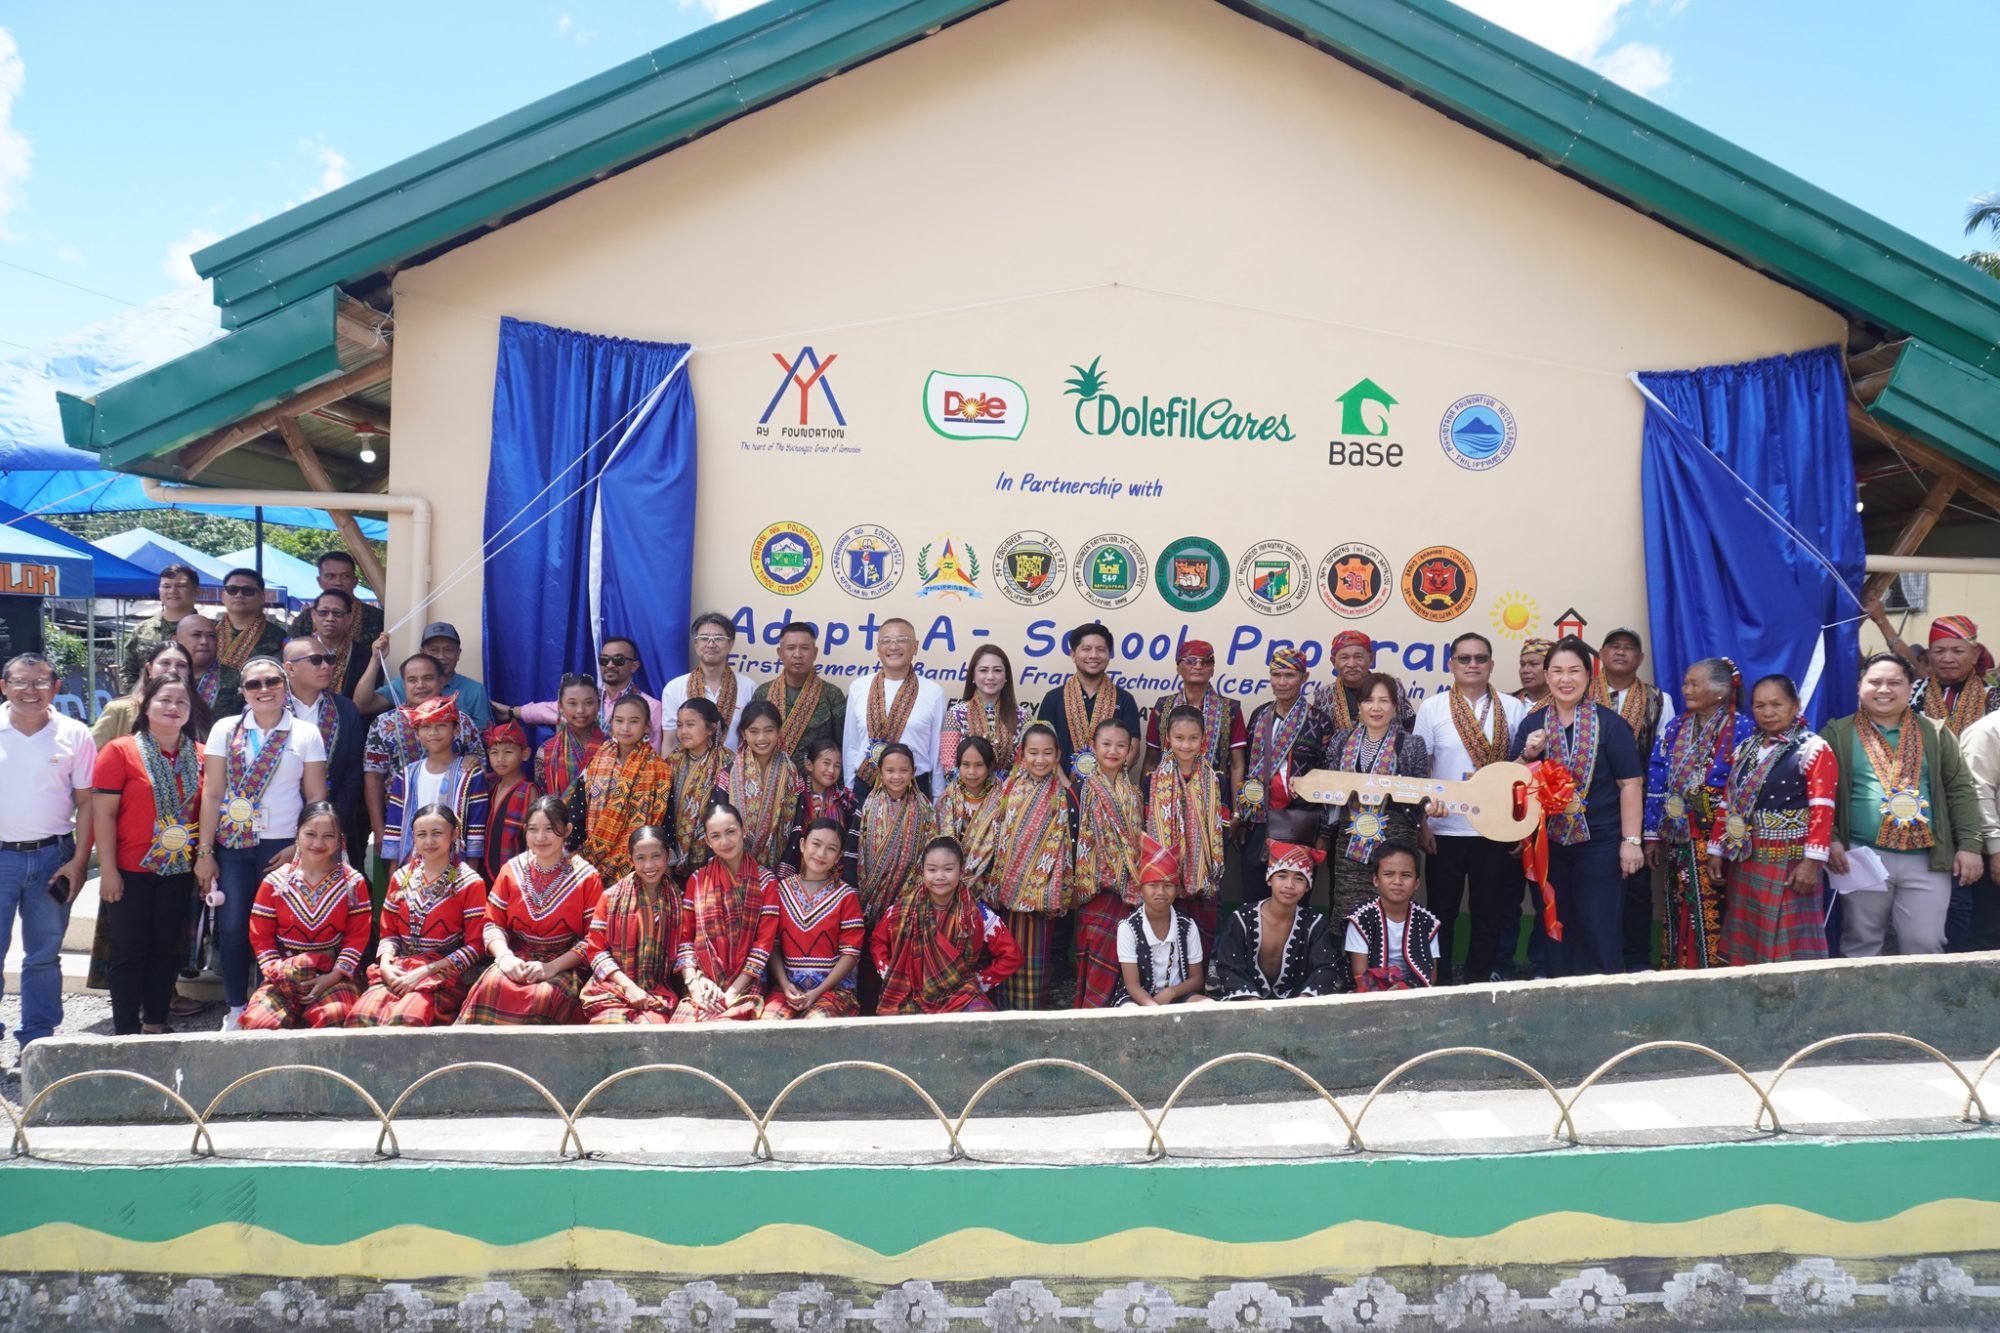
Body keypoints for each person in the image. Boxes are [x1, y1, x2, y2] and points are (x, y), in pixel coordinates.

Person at [194, 654, 329, 1031]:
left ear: (285, 686)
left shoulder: (305, 733)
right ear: (242, 691)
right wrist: (205, 851)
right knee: (233, 926)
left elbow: (316, 797)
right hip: (234, 844)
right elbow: (212, 793)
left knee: (283, 927)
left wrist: (300, 847)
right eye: (254, 684)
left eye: (272, 681)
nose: (264, 689)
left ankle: (278, 1003)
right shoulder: (225, 729)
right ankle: (236, 1006)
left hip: (283, 842)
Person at [1822, 653, 1984, 957]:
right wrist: (1831, 839)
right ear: (1859, 686)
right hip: (1861, 855)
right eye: (1875, 682)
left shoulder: (1935, 733)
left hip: (1927, 859)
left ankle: (1923, 992)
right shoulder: (1836, 734)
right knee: (1861, 943)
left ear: (1911, 687)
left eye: (1894, 683)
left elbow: (1960, 790)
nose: (1884, 690)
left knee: (1925, 943)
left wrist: (1970, 845)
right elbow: (1820, 793)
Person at [1517, 637, 1647, 977]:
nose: (1565, 679)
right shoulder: (1533, 725)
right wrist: (1527, 755)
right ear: (1546, 675)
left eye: (1574, 671)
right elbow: (1513, 783)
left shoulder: (1611, 724)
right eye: (1557, 671)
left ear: (1589, 676)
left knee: (1599, 923)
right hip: (1549, 845)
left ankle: (1605, 995)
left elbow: (1630, 784)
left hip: (1600, 842)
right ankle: (1560, 992)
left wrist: (1631, 843)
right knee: (1555, 923)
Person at [1412, 631, 1529, 984]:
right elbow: (1421, 769)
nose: (1473, 664)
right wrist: (1422, 825)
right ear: (1451, 664)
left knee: (1488, 912)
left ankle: (1479, 981)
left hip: (1495, 828)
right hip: (1445, 828)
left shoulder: (1512, 707)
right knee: (1441, 912)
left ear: (1491, 664)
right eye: (1465, 658)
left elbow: (1523, 773)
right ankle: (1440, 981)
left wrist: (1520, 827)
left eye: (1480, 658)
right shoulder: (1433, 707)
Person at [93, 676, 203, 1036]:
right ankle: (125, 1031)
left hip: (179, 869)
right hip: (130, 869)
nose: (173, 708)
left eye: (181, 702)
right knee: (129, 951)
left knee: (166, 948)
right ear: (146, 706)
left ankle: (155, 1022)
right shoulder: (120, 751)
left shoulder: (201, 755)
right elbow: (103, 815)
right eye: (164, 700)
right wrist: (108, 870)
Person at [2, 653, 97, 1048]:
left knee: (43, 952)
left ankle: (37, 1039)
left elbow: (87, 802)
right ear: (4, 686)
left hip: (52, 858)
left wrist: (79, 862)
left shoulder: (75, 734)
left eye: (40, 681)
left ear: (56, 687)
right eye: (20, 681)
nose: (31, 690)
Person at [1710, 675, 1835, 966]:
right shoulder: (1747, 748)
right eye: (1760, 705)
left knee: (1788, 942)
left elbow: (1823, 808)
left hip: (1790, 861)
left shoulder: (1814, 749)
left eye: (1777, 704)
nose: (1768, 712)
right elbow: (1729, 801)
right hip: (1746, 858)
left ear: (1796, 705)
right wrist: (1717, 849)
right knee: (1749, 936)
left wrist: (1811, 863)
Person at [1643, 658, 1754, 970]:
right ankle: (1679, 969)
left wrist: (1722, 835)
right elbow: (1657, 779)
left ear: (1720, 691)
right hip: (1678, 837)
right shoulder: (1675, 727)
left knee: (1716, 906)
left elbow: (1743, 789)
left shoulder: (1742, 729)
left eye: (1694, 684)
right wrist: (1652, 836)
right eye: (1685, 683)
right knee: (1679, 903)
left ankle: (1714, 972)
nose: (1686, 689)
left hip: (1719, 839)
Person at [458, 796, 604, 1025]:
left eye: (549, 829)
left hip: (563, 964)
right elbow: (492, 923)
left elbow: (593, 939)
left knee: (543, 996)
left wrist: (550, 968)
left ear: (567, 830)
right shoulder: (512, 870)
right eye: (533, 829)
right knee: (492, 984)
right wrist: (504, 957)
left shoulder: (587, 877)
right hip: (517, 959)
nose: (540, 837)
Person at [347, 806, 489, 1026]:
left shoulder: (469, 883)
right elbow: (389, 934)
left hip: (445, 973)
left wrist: (426, 971)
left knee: (406, 1018)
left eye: (437, 833)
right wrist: (385, 965)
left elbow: (475, 947)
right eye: (421, 834)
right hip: (400, 967)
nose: (429, 841)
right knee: (362, 1017)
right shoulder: (401, 878)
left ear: (454, 834)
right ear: (413, 837)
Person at [1908, 617, 1999, 953]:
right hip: (1926, 818)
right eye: (1939, 650)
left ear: (1975, 654)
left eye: (1957, 651)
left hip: (1984, 819)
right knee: (1940, 911)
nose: (1947, 658)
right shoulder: (1910, 696)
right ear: (1928, 655)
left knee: (1985, 913)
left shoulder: (1993, 698)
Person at [238, 803, 370, 1030]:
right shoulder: (275, 883)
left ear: (339, 840)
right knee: (261, 1024)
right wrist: (279, 972)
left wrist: (334, 975)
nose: (318, 843)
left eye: (328, 836)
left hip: (334, 975)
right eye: (310, 834)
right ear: (297, 835)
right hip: (283, 974)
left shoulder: (352, 883)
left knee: (334, 1017)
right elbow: (261, 937)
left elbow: (357, 937)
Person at [870, 836, 1024, 1015]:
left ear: (961, 871)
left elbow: (1012, 956)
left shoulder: (977, 914)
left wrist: (979, 981)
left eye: (948, 869)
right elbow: (877, 941)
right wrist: (890, 973)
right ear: (922, 871)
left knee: (982, 1021)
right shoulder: (902, 910)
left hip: (961, 993)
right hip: (911, 993)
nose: (940, 877)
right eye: (932, 870)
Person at [1593, 626, 1672, 972]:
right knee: (1593, 885)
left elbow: (1663, 760)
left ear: (1640, 658)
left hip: (1637, 805)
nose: (1621, 652)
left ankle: (1638, 960)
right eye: (1614, 646)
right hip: (1589, 807)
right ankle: (1597, 961)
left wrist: (1653, 825)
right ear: (1601, 655)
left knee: (1637, 887)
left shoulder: (1659, 700)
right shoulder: (1581, 692)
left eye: (1629, 648)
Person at [1325, 672, 1430, 929]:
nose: (1376, 708)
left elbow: (1421, 793)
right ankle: (1349, 954)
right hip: (1351, 838)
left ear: (1395, 706)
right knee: (1350, 906)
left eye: (1384, 701)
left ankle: (1393, 953)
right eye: (1369, 700)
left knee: (1393, 905)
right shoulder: (1342, 740)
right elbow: (1329, 786)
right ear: (1359, 705)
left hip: (1397, 838)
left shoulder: (1412, 744)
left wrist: (1430, 808)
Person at [987, 720, 1078, 1010]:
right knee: (1006, 953)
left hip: (1042, 893)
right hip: (1009, 889)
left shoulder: (1063, 793)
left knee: (1036, 958)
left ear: (1058, 755)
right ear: (1021, 754)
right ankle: (1004, 1013)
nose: (1040, 760)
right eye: (1033, 753)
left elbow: (1066, 842)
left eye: (1048, 753)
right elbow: (997, 836)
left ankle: (1033, 1013)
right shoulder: (1008, 790)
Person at [364, 651, 486, 862]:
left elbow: (480, 764)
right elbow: (373, 776)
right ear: (403, 685)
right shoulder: (383, 724)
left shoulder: (462, 722)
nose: (420, 685)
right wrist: (378, 828)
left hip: (454, 832)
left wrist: (473, 761)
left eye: (428, 678)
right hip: (398, 824)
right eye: (412, 680)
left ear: (441, 681)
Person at [672, 802, 779, 1023]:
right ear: (708, 841)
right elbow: (685, 940)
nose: (725, 841)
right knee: (683, 1029)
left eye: (730, 832)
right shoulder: (697, 881)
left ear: (743, 831)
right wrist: (694, 984)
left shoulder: (765, 882)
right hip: (703, 985)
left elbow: (763, 945)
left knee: (729, 1028)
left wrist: (731, 993)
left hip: (746, 986)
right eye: (716, 836)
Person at [1236, 646, 1328, 897]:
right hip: (1258, 819)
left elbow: (1327, 779)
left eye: (1290, 675)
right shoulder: (1259, 715)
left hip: (1299, 822)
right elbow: (1246, 766)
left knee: (1293, 893)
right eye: (1276, 675)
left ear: (1304, 677)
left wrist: (1324, 833)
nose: (1282, 682)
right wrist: (1241, 817)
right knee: (1253, 892)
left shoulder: (1319, 721)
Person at [760, 818, 865, 1020]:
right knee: (770, 1024)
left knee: (815, 1025)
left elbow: (851, 954)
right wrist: (785, 985)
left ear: (838, 856)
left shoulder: (846, 897)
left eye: (831, 849)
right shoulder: (781, 891)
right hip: (789, 990)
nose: (821, 853)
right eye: (816, 844)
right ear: (802, 845)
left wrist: (817, 992)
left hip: (832, 992)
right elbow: (772, 944)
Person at [1071, 720, 1143, 1009]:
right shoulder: (1081, 790)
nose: (1113, 751)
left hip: (1128, 892)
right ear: (1093, 746)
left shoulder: (1134, 793)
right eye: (1106, 744)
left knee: (1124, 957)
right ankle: (1091, 1012)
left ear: (1129, 750)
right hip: (1095, 890)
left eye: (1120, 745)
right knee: (1095, 958)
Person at [1144, 706, 1228, 951]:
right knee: (1170, 938)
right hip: (1167, 875)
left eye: (1193, 738)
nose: (1186, 745)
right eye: (1179, 738)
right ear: (1168, 739)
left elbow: (1219, 832)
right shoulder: (1153, 779)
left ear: (1203, 739)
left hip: (1206, 875)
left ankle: (1206, 969)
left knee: (1204, 938)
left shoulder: (1216, 780)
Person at [578, 825, 681, 1024]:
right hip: (611, 987)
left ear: (667, 856)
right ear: (631, 859)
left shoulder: (678, 900)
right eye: (640, 858)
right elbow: (596, 952)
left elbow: (684, 948)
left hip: (656, 993)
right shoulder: (610, 898)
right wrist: (629, 987)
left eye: (656, 856)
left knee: (650, 1030)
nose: (649, 865)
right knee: (612, 1029)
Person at [1212, 840, 1339, 1000]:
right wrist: (1251, 1001)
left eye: (1299, 879)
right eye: (1282, 876)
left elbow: (1325, 968)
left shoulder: (1315, 923)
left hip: (1297, 1003)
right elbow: (1229, 966)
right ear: (1269, 879)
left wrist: (1303, 1000)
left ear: (1308, 886)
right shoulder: (1243, 918)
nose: (1289, 885)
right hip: (1247, 1003)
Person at [563, 694, 670, 884]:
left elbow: (664, 820)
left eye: (634, 721)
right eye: (619, 720)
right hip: (591, 860)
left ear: (647, 726)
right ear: (611, 723)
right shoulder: (597, 762)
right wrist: (572, 849)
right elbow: (579, 809)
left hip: (638, 865)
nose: (625, 728)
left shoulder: (660, 770)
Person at [498, 634, 662, 752]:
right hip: (582, 775)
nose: (610, 665)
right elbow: (548, 710)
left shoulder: (650, 706)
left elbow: (652, 751)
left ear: (634, 666)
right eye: (604, 660)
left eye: (618, 660)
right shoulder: (589, 699)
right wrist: (512, 712)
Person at [283, 636, 366, 866]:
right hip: (280, 823)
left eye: (329, 659)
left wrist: (335, 817)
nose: (326, 666)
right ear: (290, 668)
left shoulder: (345, 709)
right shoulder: (271, 708)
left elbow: (354, 769)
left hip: (333, 823)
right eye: (316, 660)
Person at [381, 696, 490, 867]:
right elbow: (394, 829)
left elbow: (476, 831)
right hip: (411, 869)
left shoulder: (471, 775)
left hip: (456, 870)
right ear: (417, 734)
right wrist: (394, 874)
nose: (433, 732)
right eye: (426, 727)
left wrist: (471, 875)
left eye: (441, 725)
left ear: (456, 730)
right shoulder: (407, 776)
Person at [844, 617, 947, 797]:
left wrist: (938, 796)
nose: (893, 646)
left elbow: (937, 752)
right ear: (878, 648)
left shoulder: (933, 692)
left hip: (915, 787)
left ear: (915, 647)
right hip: (865, 786)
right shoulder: (859, 687)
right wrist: (849, 788)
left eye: (901, 640)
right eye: (886, 641)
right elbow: (851, 745)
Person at [1110, 833, 1209, 1007]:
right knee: (1128, 1011)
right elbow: (1132, 984)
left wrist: (1171, 992)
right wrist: (1154, 1009)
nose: (1161, 892)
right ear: (1141, 889)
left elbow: (1197, 979)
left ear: (1176, 890)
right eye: (1153, 885)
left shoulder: (1187, 926)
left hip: (1177, 995)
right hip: (1137, 998)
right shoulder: (1128, 927)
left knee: (1209, 1006)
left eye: (1168, 886)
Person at [1035, 622, 1140, 783]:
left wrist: (1105, 786)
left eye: (1101, 649)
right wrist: (1068, 788)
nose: (1093, 655)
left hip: (1109, 788)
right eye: (1086, 649)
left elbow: (1133, 749)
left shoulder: (1125, 699)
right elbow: (1043, 747)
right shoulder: (1053, 698)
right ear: (1073, 654)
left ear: (1109, 655)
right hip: (1060, 788)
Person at [1144, 640, 1247, 803]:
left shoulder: (1230, 709)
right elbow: (1151, 760)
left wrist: (1236, 812)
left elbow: (1237, 765)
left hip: (1216, 800)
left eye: (1206, 661)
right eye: (1191, 660)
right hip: (1167, 800)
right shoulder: (1163, 706)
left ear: (1212, 669)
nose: (1198, 666)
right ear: (1178, 667)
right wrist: (1147, 804)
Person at [854, 744, 936, 934]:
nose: (897, 776)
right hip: (869, 895)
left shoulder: (924, 808)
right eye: (890, 770)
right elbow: (853, 848)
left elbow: (930, 850)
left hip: (907, 895)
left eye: (903, 770)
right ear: (880, 772)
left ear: (913, 772)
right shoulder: (867, 806)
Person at [720, 700, 805, 873]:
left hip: (777, 870)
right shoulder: (729, 773)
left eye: (769, 730)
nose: (761, 738)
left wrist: (785, 867)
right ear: (743, 733)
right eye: (753, 731)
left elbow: (797, 826)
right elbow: (719, 821)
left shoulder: (792, 774)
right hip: (733, 866)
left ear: (779, 731)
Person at [1344, 840, 1441, 991]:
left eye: (1406, 875)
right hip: (1371, 993)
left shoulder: (1427, 921)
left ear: (1416, 883)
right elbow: (1360, 975)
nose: (1397, 882)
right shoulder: (1360, 918)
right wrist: (1387, 996)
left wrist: (1405, 990)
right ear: (1376, 880)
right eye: (1388, 874)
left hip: (1412, 992)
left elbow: (1431, 974)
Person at [752, 621, 847, 771]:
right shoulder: (763, 693)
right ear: (780, 653)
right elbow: (751, 741)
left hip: (814, 782)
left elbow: (842, 746)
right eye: (790, 648)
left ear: (815, 653)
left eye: (804, 648)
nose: (797, 654)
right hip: (770, 780)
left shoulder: (832, 694)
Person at [363, 621, 492, 728]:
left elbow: (483, 736)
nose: (441, 656)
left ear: (458, 654)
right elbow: (363, 705)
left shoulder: (475, 691)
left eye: (448, 650)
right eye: (434, 650)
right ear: (422, 653)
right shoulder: (405, 684)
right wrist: (375, 660)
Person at [937, 644, 1033, 786]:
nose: (990, 677)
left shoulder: (1022, 716)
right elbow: (949, 764)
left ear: (1006, 676)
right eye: (983, 670)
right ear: (973, 676)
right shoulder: (956, 714)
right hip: (967, 793)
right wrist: (974, 790)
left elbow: (1027, 760)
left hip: (1010, 793)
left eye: (997, 670)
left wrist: (1006, 789)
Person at [661, 614, 757, 753]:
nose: (711, 644)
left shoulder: (749, 687)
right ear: (696, 644)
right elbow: (670, 741)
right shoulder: (674, 688)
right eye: (704, 638)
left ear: (730, 644)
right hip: (687, 766)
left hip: (735, 766)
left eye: (719, 638)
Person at [665, 698, 732, 882]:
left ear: (711, 728)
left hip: (711, 854)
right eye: (679, 725)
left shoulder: (727, 764)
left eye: (690, 725)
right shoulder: (672, 762)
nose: (683, 731)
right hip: (672, 854)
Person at [933, 737, 1003, 899]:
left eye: (979, 765)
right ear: (958, 766)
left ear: (990, 767)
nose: (971, 772)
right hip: (951, 879)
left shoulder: (1002, 800)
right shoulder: (947, 800)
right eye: (965, 765)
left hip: (989, 880)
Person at [94, 641, 195, 746]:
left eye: (181, 665)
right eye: (165, 663)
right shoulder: (119, 711)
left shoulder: (198, 713)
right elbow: (92, 752)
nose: (173, 670)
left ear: (189, 672)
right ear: (149, 669)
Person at [119, 563, 201, 692]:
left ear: (196, 591)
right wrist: (137, 698)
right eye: (166, 586)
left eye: (180, 586)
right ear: (159, 590)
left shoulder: (207, 632)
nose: (172, 591)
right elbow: (128, 670)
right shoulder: (142, 630)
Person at [1312, 631, 1413, 734]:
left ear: (1371, 658)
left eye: (1358, 657)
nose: (1351, 664)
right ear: (1334, 662)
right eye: (1344, 658)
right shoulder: (1323, 695)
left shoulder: (1392, 686)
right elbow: (1319, 735)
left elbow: (1411, 725)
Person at [481, 721, 543, 888]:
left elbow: (534, 839)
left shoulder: (528, 791)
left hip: (517, 877)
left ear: (525, 754)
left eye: (508, 752)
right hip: (487, 874)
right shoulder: (491, 786)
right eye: (494, 753)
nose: (500, 759)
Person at [284, 550, 386, 645]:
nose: (338, 582)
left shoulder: (376, 618)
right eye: (330, 576)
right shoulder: (305, 619)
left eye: (345, 576)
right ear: (319, 581)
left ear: (355, 581)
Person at [796, 737, 858, 885]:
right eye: (826, 763)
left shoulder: (845, 802)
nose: (831, 770)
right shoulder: (797, 798)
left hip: (834, 877)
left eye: (837, 766)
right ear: (809, 765)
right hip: (799, 872)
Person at [533, 674, 605, 796]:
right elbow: (543, 798)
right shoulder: (546, 751)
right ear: (560, 707)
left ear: (598, 705)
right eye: (572, 703)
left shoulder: (612, 746)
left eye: (588, 703)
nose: (580, 710)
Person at [213, 568, 288, 674]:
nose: (239, 595)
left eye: (248, 591)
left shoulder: (279, 637)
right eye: (232, 590)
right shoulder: (207, 632)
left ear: (262, 597)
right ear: (223, 596)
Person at [305, 589, 372, 698]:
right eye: (323, 612)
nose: (330, 618)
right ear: (313, 615)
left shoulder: (366, 657)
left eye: (338, 613)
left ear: (349, 618)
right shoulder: (300, 653)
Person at [177, 613, 244, 720]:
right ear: (176, 640)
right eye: (196, 635)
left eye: (211, 636)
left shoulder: (237, 679)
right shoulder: (165, 674)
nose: (204, 642)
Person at [1515, 637, 1554, 707]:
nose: (1525, 670)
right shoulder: (1508, 702)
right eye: (1522, 664)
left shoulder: (1563, 704)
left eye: (1533, 664)